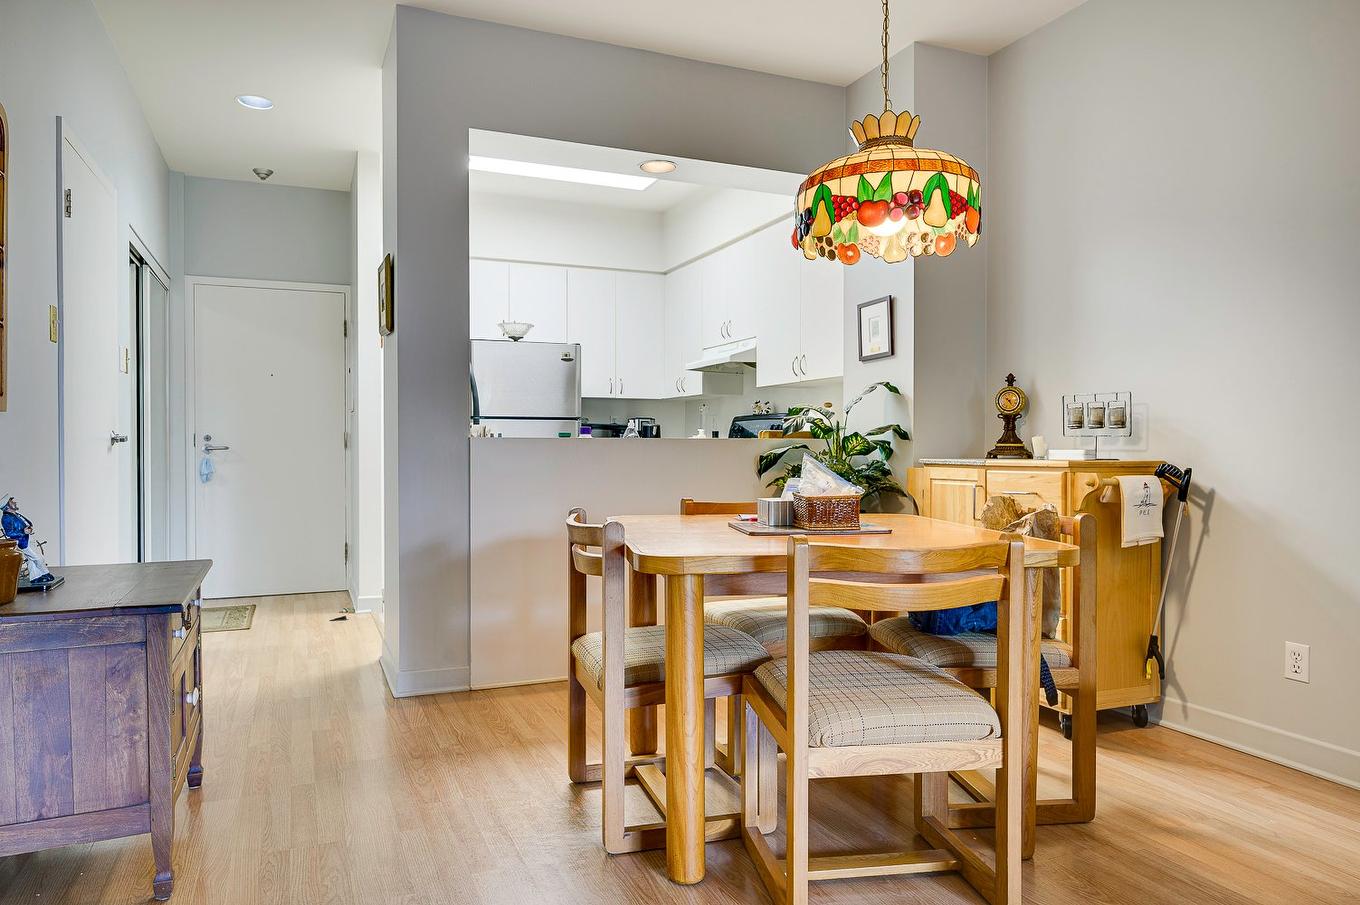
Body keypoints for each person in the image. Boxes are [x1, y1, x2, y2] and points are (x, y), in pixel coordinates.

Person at [1, 494, 57, 585]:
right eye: (12, 502)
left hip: (28, 538)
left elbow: (24, 523)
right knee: (37, 557)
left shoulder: (15, 514)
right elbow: (9, 533)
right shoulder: (6, 518)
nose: (15, 502)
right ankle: (45, 573)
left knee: (31, 559)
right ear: (7, 506)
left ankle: (35, 577)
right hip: (23, 541)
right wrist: (23, 532)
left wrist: (28, 529)